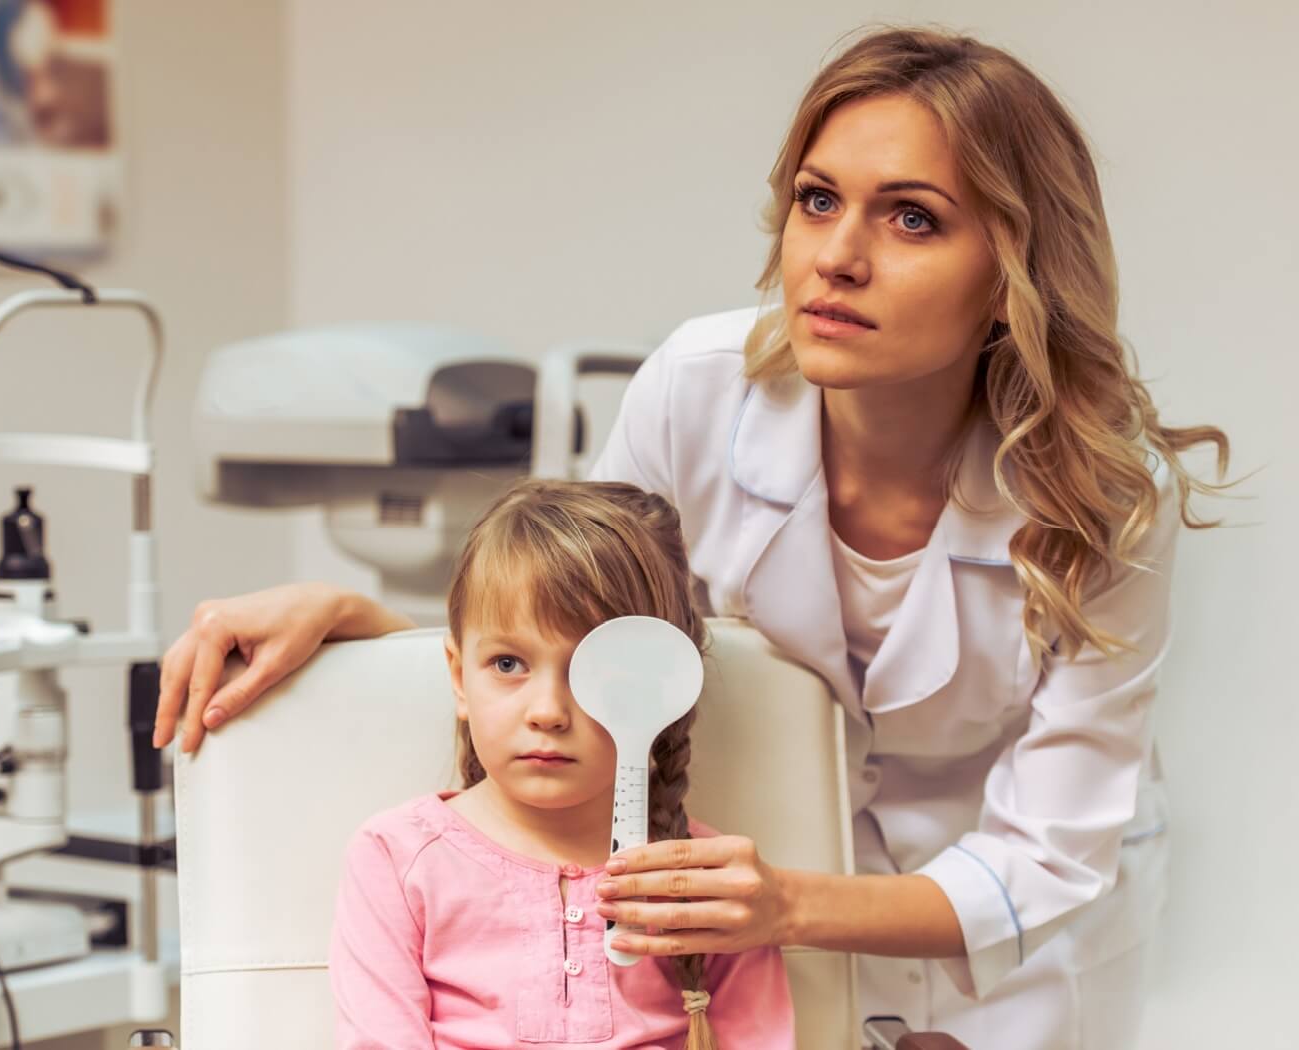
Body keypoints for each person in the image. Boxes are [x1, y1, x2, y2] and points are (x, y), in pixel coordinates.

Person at [154, 27, 1232, 1049]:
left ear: (1013, 272)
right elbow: (571, 629)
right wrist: (358, 622)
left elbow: (1047, 853)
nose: (838, 257)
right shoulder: (698, 389)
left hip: (1014, 941)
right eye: (818, 201)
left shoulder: (1097, 497)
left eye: (911, 218)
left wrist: (791, 902)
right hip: (751, 912)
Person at [329, 479, 795, 1049]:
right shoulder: (396, 859)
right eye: (507, 663)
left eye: (590, 671)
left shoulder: (711, 883)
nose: (548, 712)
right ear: (458, 677)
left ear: (661, 690)